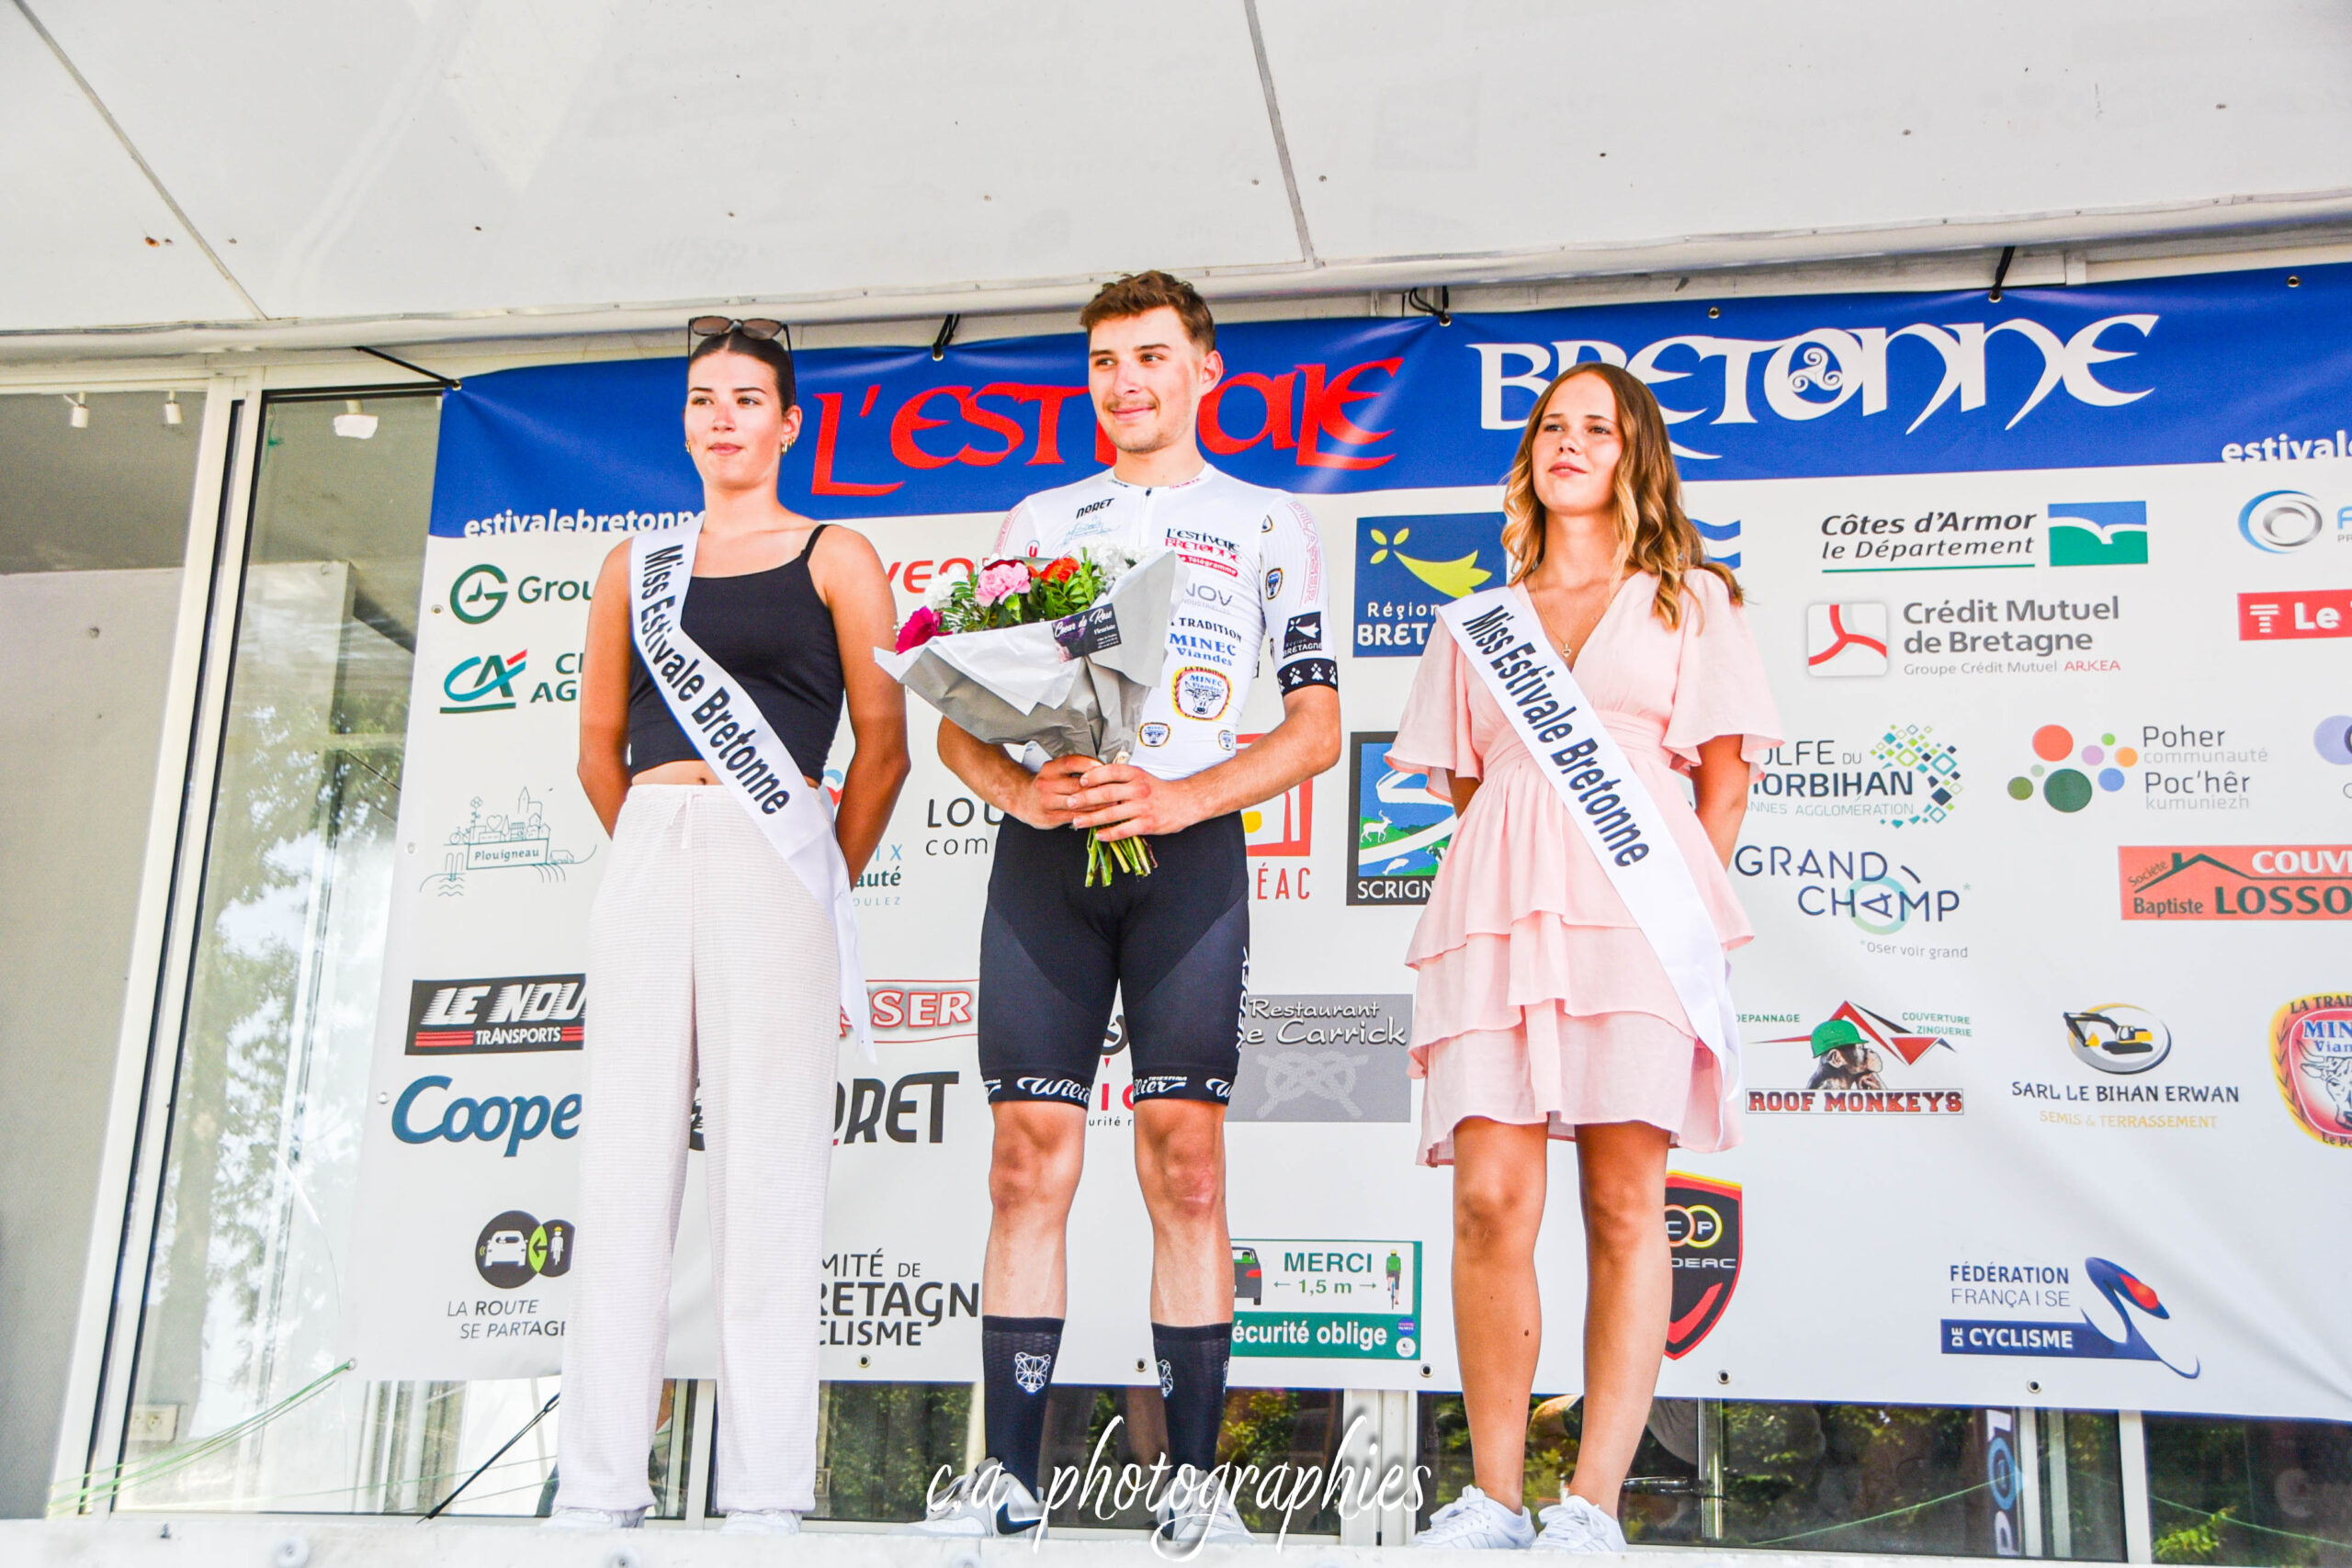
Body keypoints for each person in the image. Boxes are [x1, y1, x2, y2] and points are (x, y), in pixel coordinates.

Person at [902, 272, 1340, 1546]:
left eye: (1150, 356)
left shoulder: (1268, 522)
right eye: (1104, 361)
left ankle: (1195, 1485)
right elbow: (961, 722)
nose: (1125, 382)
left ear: (1206, 371)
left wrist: (1182, 795)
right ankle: (1009, 1481)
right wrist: (1022, 792)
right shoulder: (1041, 518)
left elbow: (1315, 730)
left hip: (1184, 862)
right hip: (1048, 864)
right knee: (1024, 1160)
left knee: (1186, 1168)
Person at [1398, 363, 1780, 1551]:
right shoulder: (1477, 625)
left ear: (1635, 454)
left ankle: (1594, 1503)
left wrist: (1671, 916)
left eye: (1596, 429)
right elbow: (1472, 788)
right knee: (1488, 1199)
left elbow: (1724, 787)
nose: (1569, 444)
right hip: (1501, 916)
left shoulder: (1691, 601)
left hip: (1640, 922)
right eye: (1551, 427)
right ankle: (1492, 1497)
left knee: (1625, 1202)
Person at [546, 321, 909, 1536]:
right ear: (687, 421)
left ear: (789, 423)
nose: (724, 419)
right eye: (705, 399)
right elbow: (597, 749)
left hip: (782, 857)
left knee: (770, 1180)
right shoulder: (635, 565)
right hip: (654, 850)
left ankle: (764, 1494)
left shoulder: (837, 556)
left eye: (749, 400)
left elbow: (884, 748)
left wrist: (814, 872)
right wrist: (666, 839)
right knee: (623, 1171)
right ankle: (598, 1484)